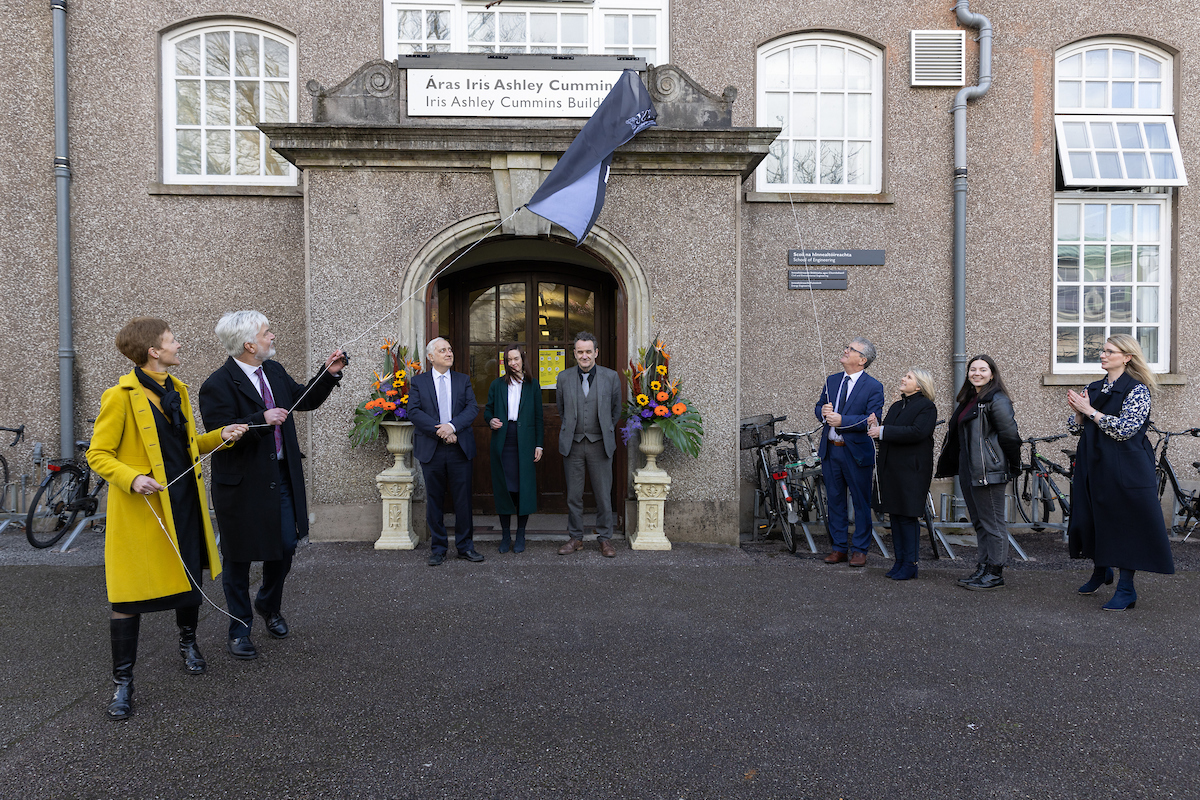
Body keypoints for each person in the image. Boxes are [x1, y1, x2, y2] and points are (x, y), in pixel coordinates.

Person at [87, 318, 247, 720]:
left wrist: (221, 436)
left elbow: (189, 447)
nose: (178, 344)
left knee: (187, 579)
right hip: (144, 512)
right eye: (171, 340)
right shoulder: (119, 396)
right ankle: (123, 684)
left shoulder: (177, 390)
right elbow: (98, 455)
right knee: (126, 598)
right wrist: (133, 477)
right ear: (154, 351)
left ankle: (188, 643)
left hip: (184, 504)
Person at [198, 311, 346, 660]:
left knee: (285, 545)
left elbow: (302, 399)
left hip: (280, 478)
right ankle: (239, 628)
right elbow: (219, 434)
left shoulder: (274, 372)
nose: (272, 336)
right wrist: (259, 420)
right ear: (249, 344)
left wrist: (328, 374)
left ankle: (267, 603)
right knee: (238, 558)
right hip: (240, 484)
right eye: (267, 333)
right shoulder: (217, 384)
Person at [1065, 334, 1174, 611]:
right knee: (1094, 517)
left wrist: (1088, 411)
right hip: (1095, 463)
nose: (1102, 355)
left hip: (1127, 466)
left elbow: (1125, 429)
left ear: (1127, 357)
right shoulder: (1094, 387)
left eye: (1109, 351)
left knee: (1127, 524)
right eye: (1102, 351)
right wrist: (1078, 413)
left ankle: (1126, 589)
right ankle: (1101, 571)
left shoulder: (1138, 389)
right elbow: (1076, 428)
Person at [935, 354, 1021, 591]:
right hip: (969, 469)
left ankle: (995, 572)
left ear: (992, 374)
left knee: (993, 523)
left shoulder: (997, 399)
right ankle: (983, 567)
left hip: (989, 471)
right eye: (973, 369)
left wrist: (1013, 466)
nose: (977, 373)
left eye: (983, 369)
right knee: (981, 522)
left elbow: (1010, 436)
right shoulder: (970, 399)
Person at [407, 337, 484, 566]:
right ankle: (438, 548)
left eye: (449, 349)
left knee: (463, 500)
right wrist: (440, 431)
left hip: (459, 448)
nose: (448, 353)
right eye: (443, 350)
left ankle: (465, 547)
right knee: (435, 500)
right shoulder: (418, 382)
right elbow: (414, 411)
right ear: (431, 357)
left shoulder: (463, 380)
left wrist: (452, 427)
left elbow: (471, 409)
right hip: (432, 449)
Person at [814, 337, 885, 567]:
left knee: (861, 502)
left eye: (851, 349)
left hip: (856, 454)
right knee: (835, 501)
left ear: (862, 360)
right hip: (831, 451)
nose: (845, 350)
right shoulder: (832, 380)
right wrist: (823, 412)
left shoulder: (873, 386)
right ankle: (838, 548)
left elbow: (872, 419)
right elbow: (819, 407)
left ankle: (860, 549)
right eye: (846, 347)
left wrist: (842, 420)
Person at [556, 331, 622, 557]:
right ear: (574, 353)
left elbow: (615, 411)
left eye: (588, 351)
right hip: (573, 445)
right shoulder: (563, 377)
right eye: (580, 352)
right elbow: (561, 410)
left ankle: (605, 539)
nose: (584, 356)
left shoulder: (611, 377)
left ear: (596, 352)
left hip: (600, 444)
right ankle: (575, 538)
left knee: (603, 495)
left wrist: (601, 431)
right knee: (574, 496)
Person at [868, 367, 937, 581]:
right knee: (895, 517)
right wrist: (876, 428)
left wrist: (884, 431)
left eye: (908, 377)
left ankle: (911, 564)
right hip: (892, 468)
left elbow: (918, 432)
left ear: (919, 386)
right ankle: (899, 561)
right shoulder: (897, 406)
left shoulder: (926, 407)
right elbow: (890, 433)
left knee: (907, 517)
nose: (903, 378)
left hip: (912, 470)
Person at [484, 344, 544, 553]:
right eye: (509, 360)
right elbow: (488, 411)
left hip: (525, 441)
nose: (513, 363)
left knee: (522, 490)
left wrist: (539, 444)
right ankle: (505, 535)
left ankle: (520, 534)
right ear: (505, 362)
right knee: (505, 490)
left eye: (516, 358)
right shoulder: (497, 385)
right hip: (503, 440)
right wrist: (491, 420)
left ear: (522, 359)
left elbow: (539, 418)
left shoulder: (532, 385)